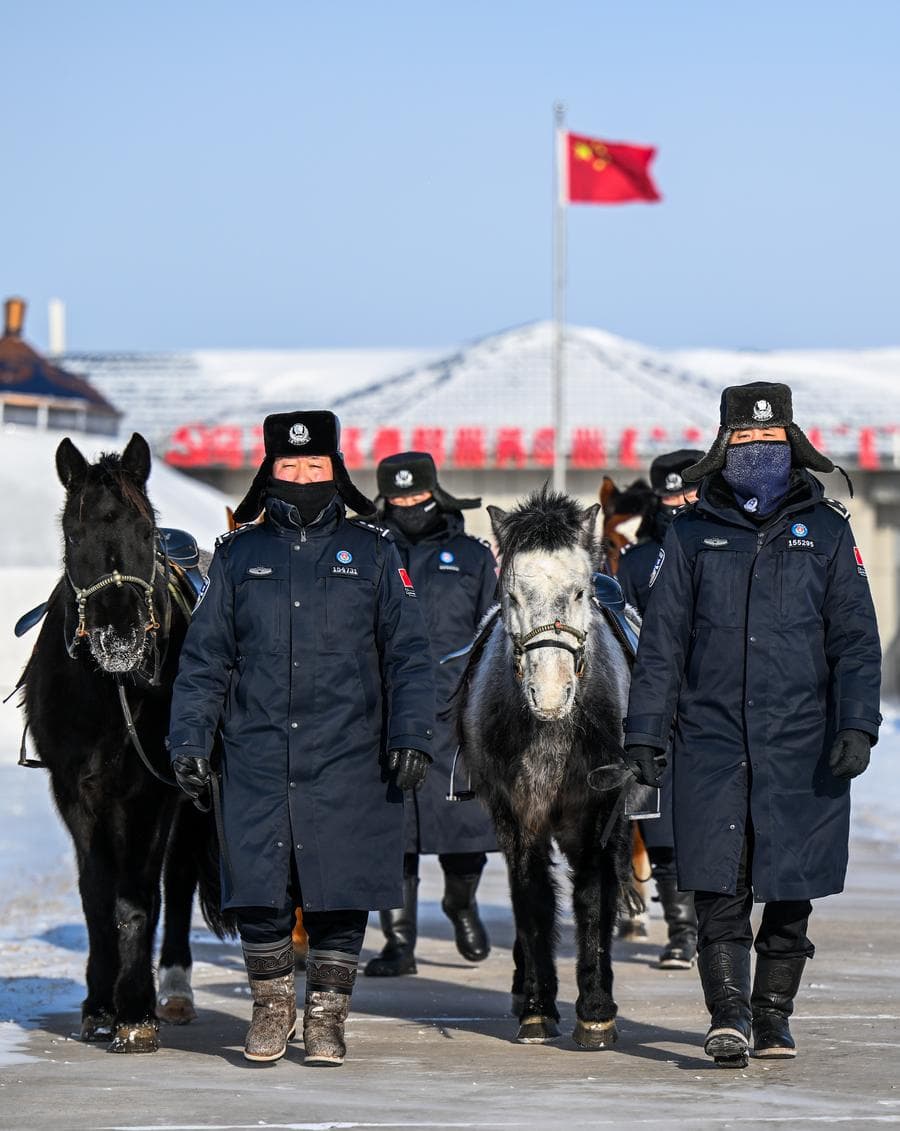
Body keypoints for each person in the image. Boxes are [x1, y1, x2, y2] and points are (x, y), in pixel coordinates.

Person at [622, 382, 881, 1067]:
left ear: (790, 442)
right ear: (723, 446)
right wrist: (644, 733)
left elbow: (855, 637)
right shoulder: (691, 532)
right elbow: (663, 645)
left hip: (804, 745)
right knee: (717, 884)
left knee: (790, 886)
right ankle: (729, 1014)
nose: (758, 452)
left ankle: (773, 1016)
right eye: (745, 441)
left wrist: (856, 722)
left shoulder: (827, 530)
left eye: (770, 441)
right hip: (710, 741)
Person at [167, 411, 435, 1067]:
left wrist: (412, 735)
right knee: (260, 886)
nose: (304, 477)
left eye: (316, 467)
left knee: (338, 889)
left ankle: (326, 1017)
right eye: (290, 468)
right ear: (270, 472)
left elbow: (409, 654)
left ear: (335, 471)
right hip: (256, 750)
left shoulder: (374, 549)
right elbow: (206, 660)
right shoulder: (237, 555)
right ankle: (270, 1008)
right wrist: (190, 740)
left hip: (350, 753)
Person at [365, 451, 499, 977]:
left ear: (434, 493)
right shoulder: (368, 551)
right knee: (391, 834)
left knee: (463, 826)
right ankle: (399, 945)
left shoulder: (470, 554)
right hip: (387, 713)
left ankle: (461, 905)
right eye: (396, 499)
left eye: (415, 496)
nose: (407, 506)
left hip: (456, 712)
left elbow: (493, 628)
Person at [616, 450, 704, 970]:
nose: (679, 503)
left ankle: (718, 927)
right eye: (669, 496)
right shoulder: (637, 561)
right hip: (655, 709)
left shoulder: (727, 545)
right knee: (661, 828)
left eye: (688, 493)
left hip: (717, 706)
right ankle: (681, 931)